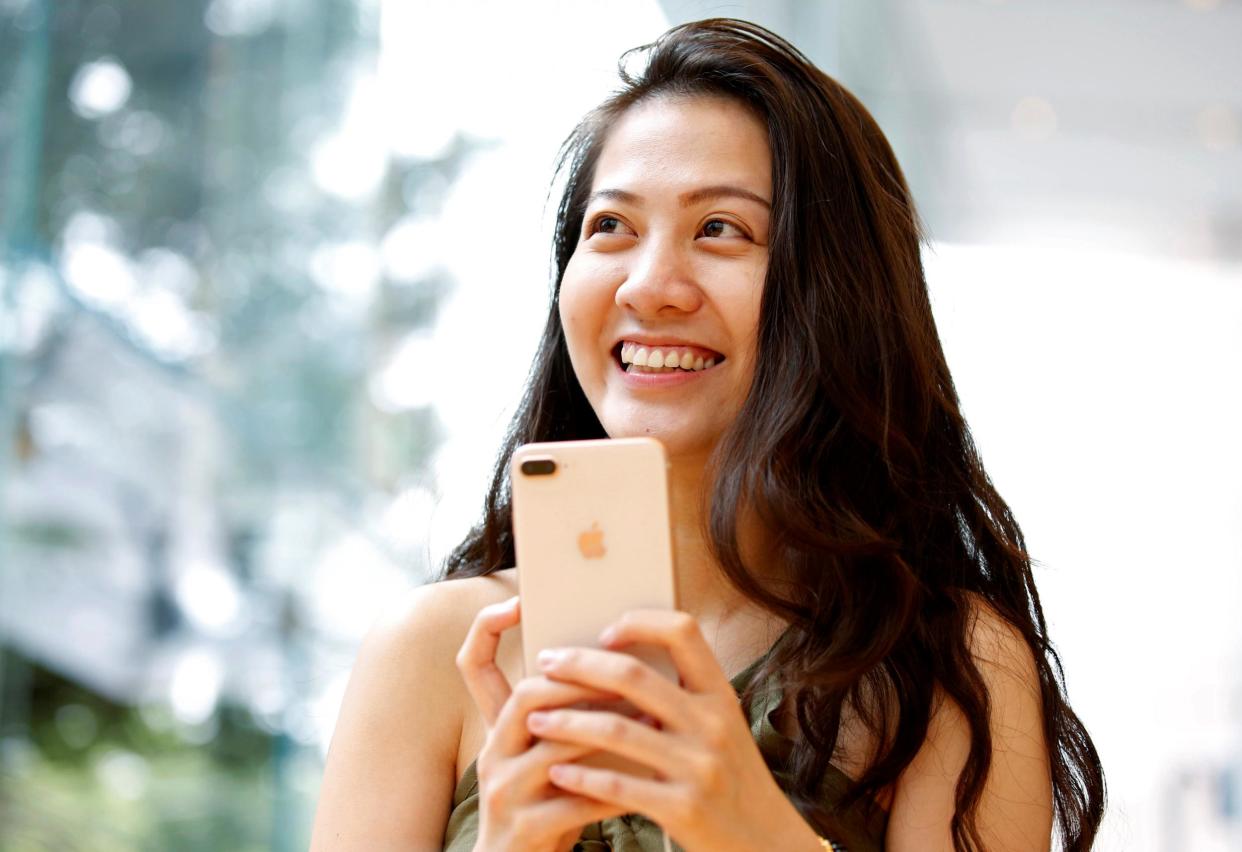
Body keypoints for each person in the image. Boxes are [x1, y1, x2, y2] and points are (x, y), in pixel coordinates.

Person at [309, 18, 1105, 852]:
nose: (651, 286)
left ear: (837, 292)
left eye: (721, 229)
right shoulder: (432, 653)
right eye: (610, 227)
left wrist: (756, 832)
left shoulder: (948, 666)